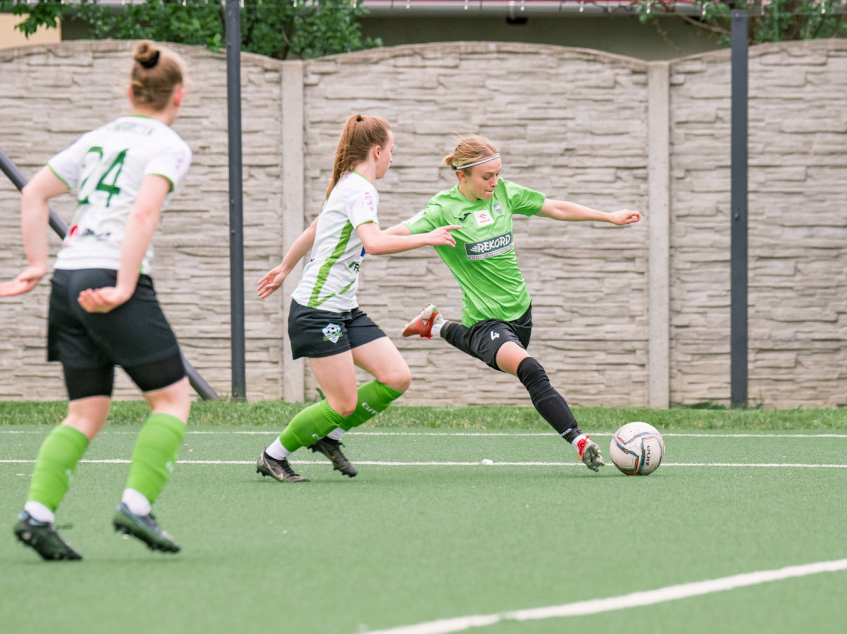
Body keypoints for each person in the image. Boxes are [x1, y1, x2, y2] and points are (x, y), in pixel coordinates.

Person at [0, 41, 193, 560]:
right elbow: (142, 214)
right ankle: (136, 506)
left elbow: (33, 192)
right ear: (179, 95)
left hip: (67, 276)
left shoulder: (99, 137)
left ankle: (36, 516)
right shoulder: (169, 144)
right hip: (109, 276)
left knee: (86, 412)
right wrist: (124, 286)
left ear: (130, 91)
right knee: (172, 400)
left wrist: (37, 263)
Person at [396, 135, 642, 471]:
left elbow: (554, 207)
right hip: (485, 319)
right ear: (462, 175)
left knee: (494, 355)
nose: (494, 182)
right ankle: (579, 440)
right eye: (487, 176)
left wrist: (608, 216)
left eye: (498, 174)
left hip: (521, 312)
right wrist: (367, 238)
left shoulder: (504, 193)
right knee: (530, 370)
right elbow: (399, 232)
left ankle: (436, 325)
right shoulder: (442, 210)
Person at [255, 114, 460, 482]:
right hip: (318, 312)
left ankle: (330, 436)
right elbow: (374, 243)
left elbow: (315, 229)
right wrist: (428, 238)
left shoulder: (348, 184)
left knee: (396, 377)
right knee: (343, 403)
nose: (393, 158)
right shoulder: (361, 189)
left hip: (343, 310)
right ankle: (273, 456)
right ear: (377, 151)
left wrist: (285, 268)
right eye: (392, 150)